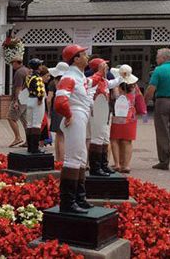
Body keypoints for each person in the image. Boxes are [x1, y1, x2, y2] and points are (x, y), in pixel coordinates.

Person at [54, 45, 95, 214]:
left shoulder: (79, 77)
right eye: (84, 55)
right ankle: (68, 201)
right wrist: (69, 115)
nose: (87, 57)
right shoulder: (70, 77)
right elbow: (60, 101)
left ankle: (79, 197)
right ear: (76, 59)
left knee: (81, 158)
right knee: (74, 158)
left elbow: (94, 81)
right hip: (76, 116)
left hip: (80, 116)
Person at [86, 58, 121, 176]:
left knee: (105, 139)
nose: (107, 68)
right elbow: (89, 97)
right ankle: (95, 167)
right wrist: (95, 110)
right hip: (97, 114)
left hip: (104, 114)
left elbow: (114, 83)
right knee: (97, 140)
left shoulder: (104, 81)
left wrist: (123, 76)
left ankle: (103, 165)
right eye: (104, 66)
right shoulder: (92, 81)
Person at [109, 65, 146, 173]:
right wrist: (144, 114)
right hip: (130, 116)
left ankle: (117, 164)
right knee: (127, 141)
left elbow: (110, 99)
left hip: (117, 115)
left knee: (115, 139)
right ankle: (126, 165)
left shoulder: (115, 85)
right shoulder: (134, 86)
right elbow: (140, 99)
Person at [48, 62, 69, 162]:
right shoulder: (69, 81)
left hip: (57, 107)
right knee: (62, 135)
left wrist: (49, 111)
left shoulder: (54, 82)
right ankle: (62, 159)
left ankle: (58, 158)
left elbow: (49, 99)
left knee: (58, 135)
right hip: (65, 106)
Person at [24, 58, 46, 154]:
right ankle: (35, 148)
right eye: (40, 65)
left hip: (29, 99)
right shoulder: (38, 78)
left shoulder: (28, 77)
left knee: (29, 124)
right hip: (37, 101)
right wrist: (41, 98)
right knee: (36, 124)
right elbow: (41, 91)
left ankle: (29, 147)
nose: (41, 67)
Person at [8, 57, 30, 147]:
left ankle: (18, 138)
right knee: (25, 121)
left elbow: (18, 87)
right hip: (27, 97)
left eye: (13, 63)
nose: (12, 65)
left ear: (17, 63)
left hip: (21, 98)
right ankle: (29, 141)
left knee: (11, 117)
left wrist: (16, 101)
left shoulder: (19, 72)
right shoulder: (27, 70)